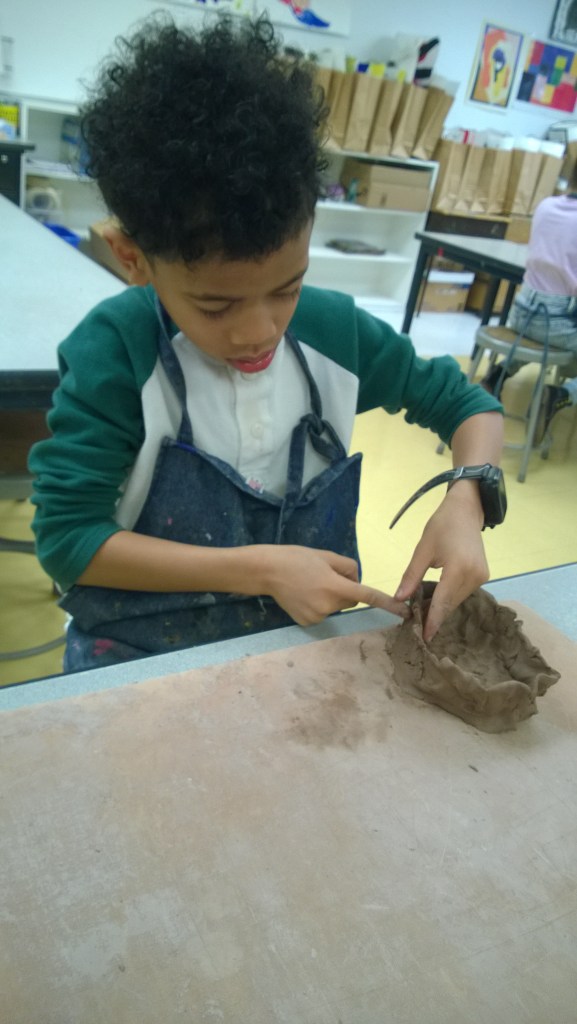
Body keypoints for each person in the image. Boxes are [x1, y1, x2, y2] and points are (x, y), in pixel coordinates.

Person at [28, 15, 504, 673]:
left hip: (293, 645)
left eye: (288, 287)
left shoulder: (334, 333)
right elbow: (68, 540)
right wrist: (259, 570)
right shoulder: (117, 352)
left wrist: (468, 496)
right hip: (136, 651)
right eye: (215, 305)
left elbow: (469, 406)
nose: (260, 332)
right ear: (131, 258)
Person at [482, 167, 577, 443]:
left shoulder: (546, 206)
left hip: (523, 312)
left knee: (540, 340)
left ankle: (497, 376)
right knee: (555, 340)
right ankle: (562, 394)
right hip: (558, 320)